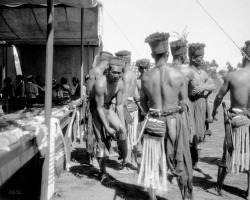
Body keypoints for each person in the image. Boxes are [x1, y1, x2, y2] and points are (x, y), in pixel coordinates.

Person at [138, 32, 193, 200]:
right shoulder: (178, 75)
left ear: (152, 55)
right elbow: (184, 103)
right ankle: (186, 197)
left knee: (153, 160)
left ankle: (152, 198)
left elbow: (142, 103)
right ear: (168, 53)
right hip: (174, 121)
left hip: (154, 120)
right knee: (181, 159)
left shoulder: (146, 77)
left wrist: (153, 113)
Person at [211, 40, 250, 199]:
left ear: (244, 56)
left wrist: (213, 112)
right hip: (246, 118)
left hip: (236, 119)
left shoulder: (233, 75)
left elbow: (219, 96)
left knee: (227, 153)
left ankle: (218, 188)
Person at [92, 57, 127, 185]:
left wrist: (121, 124)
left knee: (122, 130)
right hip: (96, 109)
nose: (117, 75)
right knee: (101, 141)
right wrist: (107, 127)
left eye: (119, 73)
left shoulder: (120, 83)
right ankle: (103, 173)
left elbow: (118, 105)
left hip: (107, 107)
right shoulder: (101, 84)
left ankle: (125, 158)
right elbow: (99, 108)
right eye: (114, 72)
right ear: (108, 71)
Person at [187, 43, 216, 169]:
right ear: (193, 58)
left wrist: (204, 86)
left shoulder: (203, 73)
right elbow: (188, 89)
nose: (203, 59)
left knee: (199, 134)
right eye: (200, 57)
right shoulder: (188, 72)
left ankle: (195, 161)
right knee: (191, 133)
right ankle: (190, 159)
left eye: (203, 56)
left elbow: (213, 85)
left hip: (201, 105)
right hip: (191, 105)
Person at [86, 51, 113, 165]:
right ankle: (95, 157)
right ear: (105, 62)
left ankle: (100, 154)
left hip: (101, 104)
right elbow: (90, 92)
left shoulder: (100, 72)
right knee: (96, 131)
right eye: (108, 64)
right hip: (95, 105)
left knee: (101, 131)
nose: (108, 67)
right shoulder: (95, 71)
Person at [115, 50, 138, 170]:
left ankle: (127, 164)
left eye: (118, 62)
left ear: (124, 61)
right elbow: (135, 95)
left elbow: (123, 97)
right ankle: (133, 160)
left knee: (126, 136)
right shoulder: (133, 74)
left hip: (126, 107)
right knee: (132, 136)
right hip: (133, 106)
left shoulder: (124, 75)